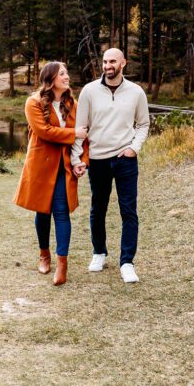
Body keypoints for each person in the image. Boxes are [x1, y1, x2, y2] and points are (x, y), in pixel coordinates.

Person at [71, 48, 149, 284]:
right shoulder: (89, 91)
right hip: (98, 160)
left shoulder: (136, 92)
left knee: (129, 211)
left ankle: (127, 262)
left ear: (123, 63)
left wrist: (133, 148)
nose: (107, 66)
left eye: (112, 61)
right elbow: (80, 129)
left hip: (125, 160)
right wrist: (77, 159)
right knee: (98, 208)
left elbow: (143, 124)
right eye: (105, 62)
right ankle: (99, 253)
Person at [12, 61, 88, 286]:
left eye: (66, 73)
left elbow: (85, 136)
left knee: (62, 213)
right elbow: (44, 132)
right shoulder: (33, 103)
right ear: (51, 79)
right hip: (41, 165)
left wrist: (82, 161)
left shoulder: (72, 103)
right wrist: (73, 132)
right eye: (62, 74)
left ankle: (62, 265)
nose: (67, 77)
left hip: (64, 166)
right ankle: (43, 254)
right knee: (43, 212)